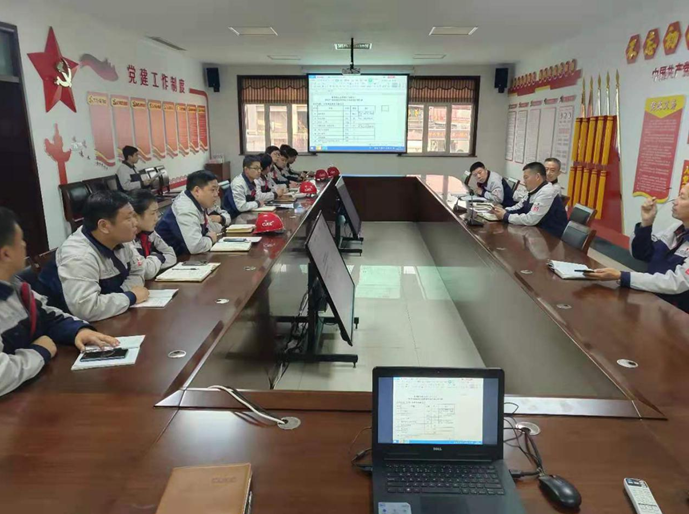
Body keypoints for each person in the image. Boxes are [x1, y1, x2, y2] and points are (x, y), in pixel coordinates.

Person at [0, 208, 119, 396]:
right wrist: (40, 351)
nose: (24, 245)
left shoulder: (14, 285)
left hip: (34, 386)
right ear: (6, 254)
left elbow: (47, 315)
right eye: (20, 240)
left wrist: (78, 331)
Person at [38, 191, 149, 323]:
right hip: (71, 327)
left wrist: (122, 294)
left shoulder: (120, 239)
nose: (136, 222)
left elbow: (138, 270)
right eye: (129, 218)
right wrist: (130, 297)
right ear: (104, 226)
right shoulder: (79, 255)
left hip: (110, 317)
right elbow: (86, 308)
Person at [584, 185, 689, 313]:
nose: (675, 201)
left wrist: (623, 276)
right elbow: (641, 254)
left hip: (677, 314)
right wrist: (646, 223)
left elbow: (676, 283)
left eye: (682, 197)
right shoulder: (676, 229)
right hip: (652, 301)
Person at [156, 170, 228, 255]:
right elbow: (195, 246)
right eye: (212, 190)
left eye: (217, 190)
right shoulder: (186, 208)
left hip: (186, 255)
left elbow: (211, 228)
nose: (216, 194)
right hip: (173, 259)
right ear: (197, 191)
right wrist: (210, 238)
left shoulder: (199, 202)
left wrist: (219, 223)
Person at [491, 162, 568, 238]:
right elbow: (519, 207)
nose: (524, 181)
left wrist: (506, 216)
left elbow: (531, 219)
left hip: (551, 237)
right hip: (536, 232)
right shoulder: (534, 190)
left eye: (526, 177)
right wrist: (503, 211)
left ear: (537, 177)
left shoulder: (547, 192)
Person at [129, 189, 177, 280]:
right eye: (152, 213)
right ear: (135, 215)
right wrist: (158, 257)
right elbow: (146, 272)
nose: (156, 218)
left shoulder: (149, 232)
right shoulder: (126, 239)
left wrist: (153, 263)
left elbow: (171, 255)